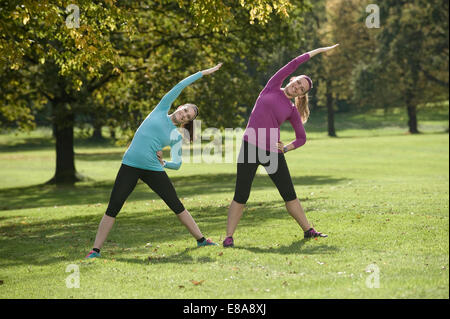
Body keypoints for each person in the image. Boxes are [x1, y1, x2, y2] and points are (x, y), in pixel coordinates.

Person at [86, 63, 223, 259]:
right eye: (185, 110)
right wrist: (203, 73)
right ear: (179, 106)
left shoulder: (176, 136)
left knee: (175, 204)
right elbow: (180, 85)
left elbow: (178, 164)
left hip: (152, 169)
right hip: (130, 165)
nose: (184, 114)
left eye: (188, 116)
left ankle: (201, 240)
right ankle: (95, 250)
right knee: (114, 205)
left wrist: (164, 163)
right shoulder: (160, 109)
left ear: (187, 122)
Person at [223, 45, 339, 248]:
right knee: (241, 195)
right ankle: (229, 237)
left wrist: (285, 148)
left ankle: (308, 230)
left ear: (301, 94)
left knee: (289, 194)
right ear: (292, 80)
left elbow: (301, 138)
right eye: (298, 83)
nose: (297, 87)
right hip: (250, 147)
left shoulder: (292, 110)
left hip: (272, 153)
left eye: (302, 89)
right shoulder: (272, 86)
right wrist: (320, 51)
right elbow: (294, 63)